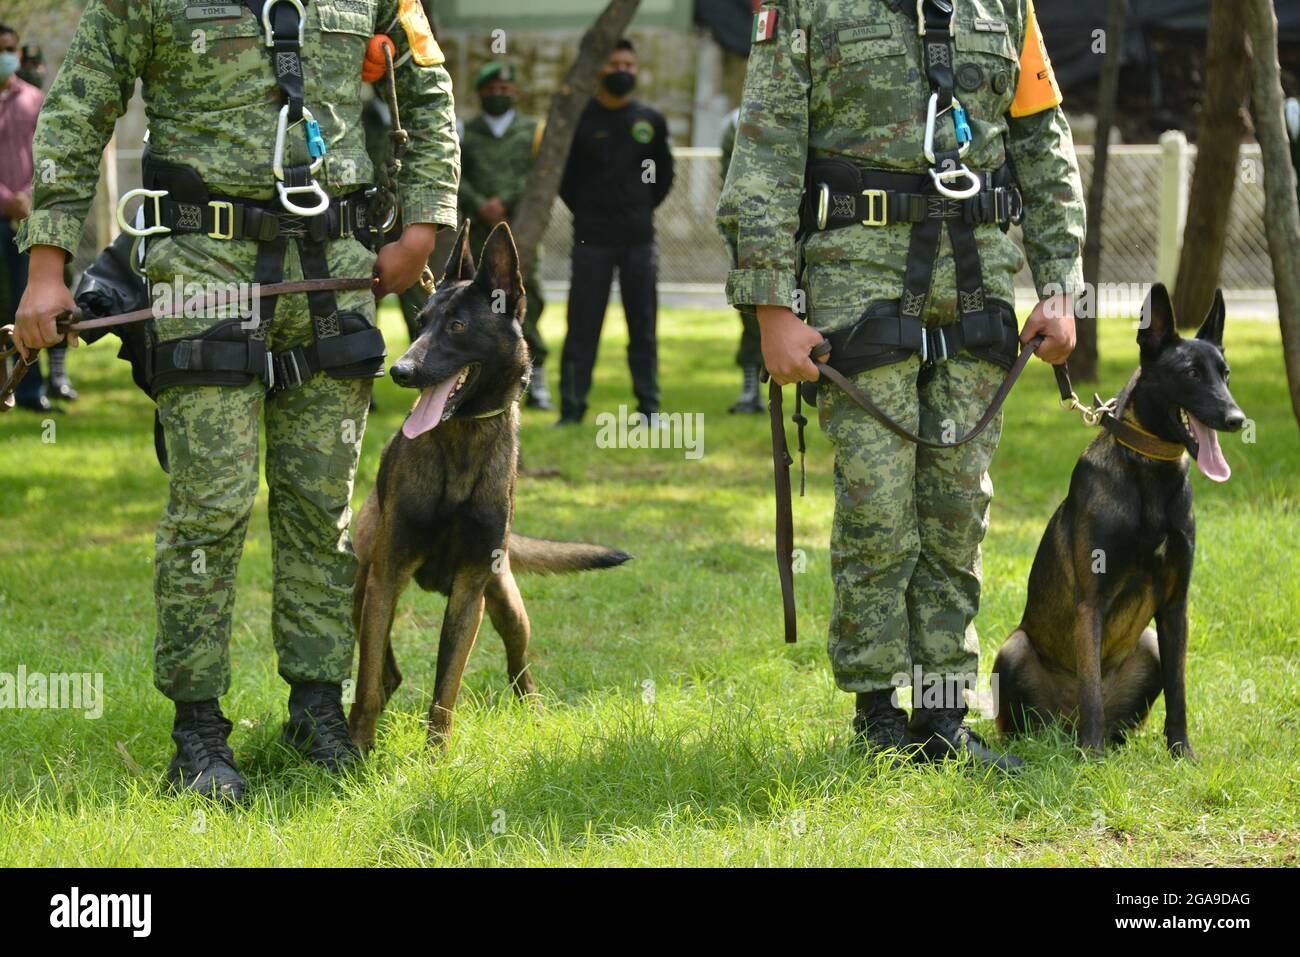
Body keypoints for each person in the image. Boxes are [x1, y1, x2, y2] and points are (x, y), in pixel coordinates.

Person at [14, 0, 460, 802]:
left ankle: (318, 709)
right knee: (208, 508)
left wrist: (425, 221)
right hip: (201, 269)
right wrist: (47, 264)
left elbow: (426, 89)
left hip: (334, 266)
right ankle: (198, 732)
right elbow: (80, 103)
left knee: (319, 506)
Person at [718, 0, 1083, 768]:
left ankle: (944, 712)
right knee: (877, 509)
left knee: (957, 506)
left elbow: (1043, 139)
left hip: (978, 277)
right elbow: (766, 152)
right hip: (858, 277)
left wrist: (1059, 283)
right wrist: (771, 305)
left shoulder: (1003, 6)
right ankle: (877, 713)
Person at [557, 38, 674, 425]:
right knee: (582, 327)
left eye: (629, 63)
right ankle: (572, 409)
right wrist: (594, 212)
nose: (622, 70)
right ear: (599, 69)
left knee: (643, 327)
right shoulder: (580, 119)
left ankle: (650, 408)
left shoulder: (650, 120)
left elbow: (661, 177)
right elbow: (566, 181)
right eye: (614, 63)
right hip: (591, 238)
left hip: (639, 239)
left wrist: (636, 208)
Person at [458, 61, 552, 409]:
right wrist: (481, 203)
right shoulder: (466, 131)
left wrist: (506, 201)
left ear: (515, 93)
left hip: (520, 229)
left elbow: (538, 173)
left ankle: (535, 378)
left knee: (531, 299)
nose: (499, 94)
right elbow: (458, 174)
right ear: (481, 93)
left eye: (505, 90)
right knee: (478, 304)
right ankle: (482, 379)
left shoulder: (533, 130)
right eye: (492, 90)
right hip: (479, 233)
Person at [0, 24, 74, 412]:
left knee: (26, 303)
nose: (7, 57)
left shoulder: (33, 100)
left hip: (28, 220)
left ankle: (31, 390)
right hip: (2, 214)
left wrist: (28, 196)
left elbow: (48, 155)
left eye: (9, 49)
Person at [718, 106, 764, 413]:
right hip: (754, 230)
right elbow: (729, 183)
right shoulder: (734, 122)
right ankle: (751, 388)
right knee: (753, 312)